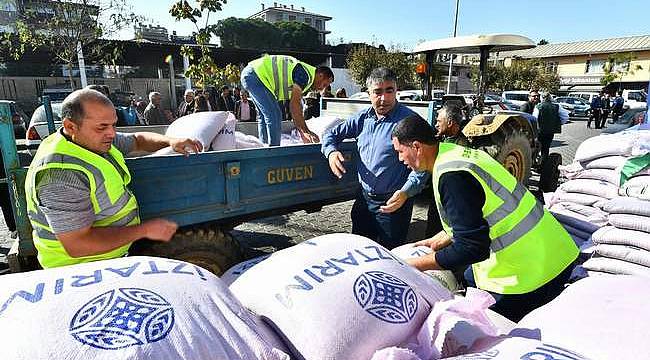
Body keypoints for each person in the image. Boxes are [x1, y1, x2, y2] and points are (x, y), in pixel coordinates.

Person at [391, 115, 578, 321]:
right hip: (555, 249)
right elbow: (482, 209)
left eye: (400, 151)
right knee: (470, 277)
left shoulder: (451, 178)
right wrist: (444, 236)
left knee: (482, 328)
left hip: (531, 275)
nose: (400, 159)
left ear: (416, 147)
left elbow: (472, 248)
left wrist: (414, 265)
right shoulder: (453, 154)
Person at [25, 89, 203, 269]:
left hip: (107, 258)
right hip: (81, 267)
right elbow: (77, 244)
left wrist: (170, 141)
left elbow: (138, 140)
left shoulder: (91, 139)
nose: (111, 133)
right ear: (71, 126)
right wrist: (144, 230)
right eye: (102, 127)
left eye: (113, 125)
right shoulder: (61, 174)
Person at [321, 67, 428, 249]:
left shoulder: (410, 122)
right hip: (364, 199)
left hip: (393, 204)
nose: (384, 98)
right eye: (377, 92)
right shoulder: (362, 118)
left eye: (389, 91)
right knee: (361, 251)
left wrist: (406, 192)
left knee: (390, 255)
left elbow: (422, 165)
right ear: (368, 92)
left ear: (396, 91)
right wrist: (331, 152)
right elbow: (330, 135)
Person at [240, 54, 334, 146]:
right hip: (256, 75)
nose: (322, 89)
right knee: (274, 114)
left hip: (252, 74)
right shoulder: (305, 75)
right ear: (320, 75)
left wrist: (305, 130)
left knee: (265, 116)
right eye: (324, 84)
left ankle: (263, 147)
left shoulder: (306, 79)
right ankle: (274, 152)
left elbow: (298, 106)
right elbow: (295, 105)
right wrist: (304, 132)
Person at [426, 104, 468, 238]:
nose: (436, 125)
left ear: (450, 123)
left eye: (439, 121)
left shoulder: (460, 148)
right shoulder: (443, 139)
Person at [532, 93, 562, 162]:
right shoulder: (557, 106)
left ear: (542, 98)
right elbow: (565, 117)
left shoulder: (538, 106)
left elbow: (535, 119)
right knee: (546, 147)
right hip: (550, 131)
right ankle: (543, 164)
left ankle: (535, 162)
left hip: (540, 131)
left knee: (537, 146)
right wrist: (557, 123)